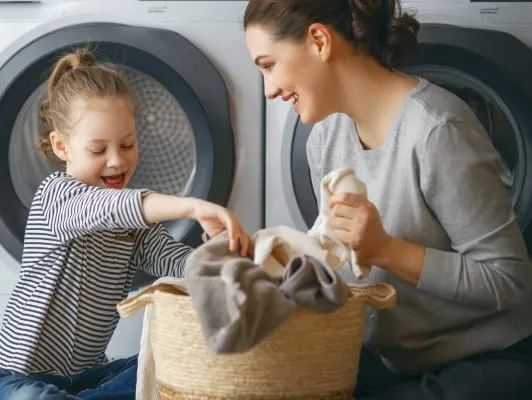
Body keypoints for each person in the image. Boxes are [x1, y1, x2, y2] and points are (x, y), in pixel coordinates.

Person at [244, 0, 532, 399]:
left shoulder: (436, 131)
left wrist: (385, 249)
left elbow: (509, 281)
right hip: (390, 358)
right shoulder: (325, 140)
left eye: (268, 65)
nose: (269, 89)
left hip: (484, 358)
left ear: (318, 40)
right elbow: (342, 269)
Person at [0, 48, 251, 399]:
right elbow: (109, 208)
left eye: (128, 144)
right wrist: (191, 206)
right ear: (62, 147)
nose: (117, 160)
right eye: (98, 150)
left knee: (165, 362)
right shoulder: (54, 197)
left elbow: (180, 264)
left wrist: (221, 252)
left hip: (91, 374)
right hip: (15, 375)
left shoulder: (135, 224)